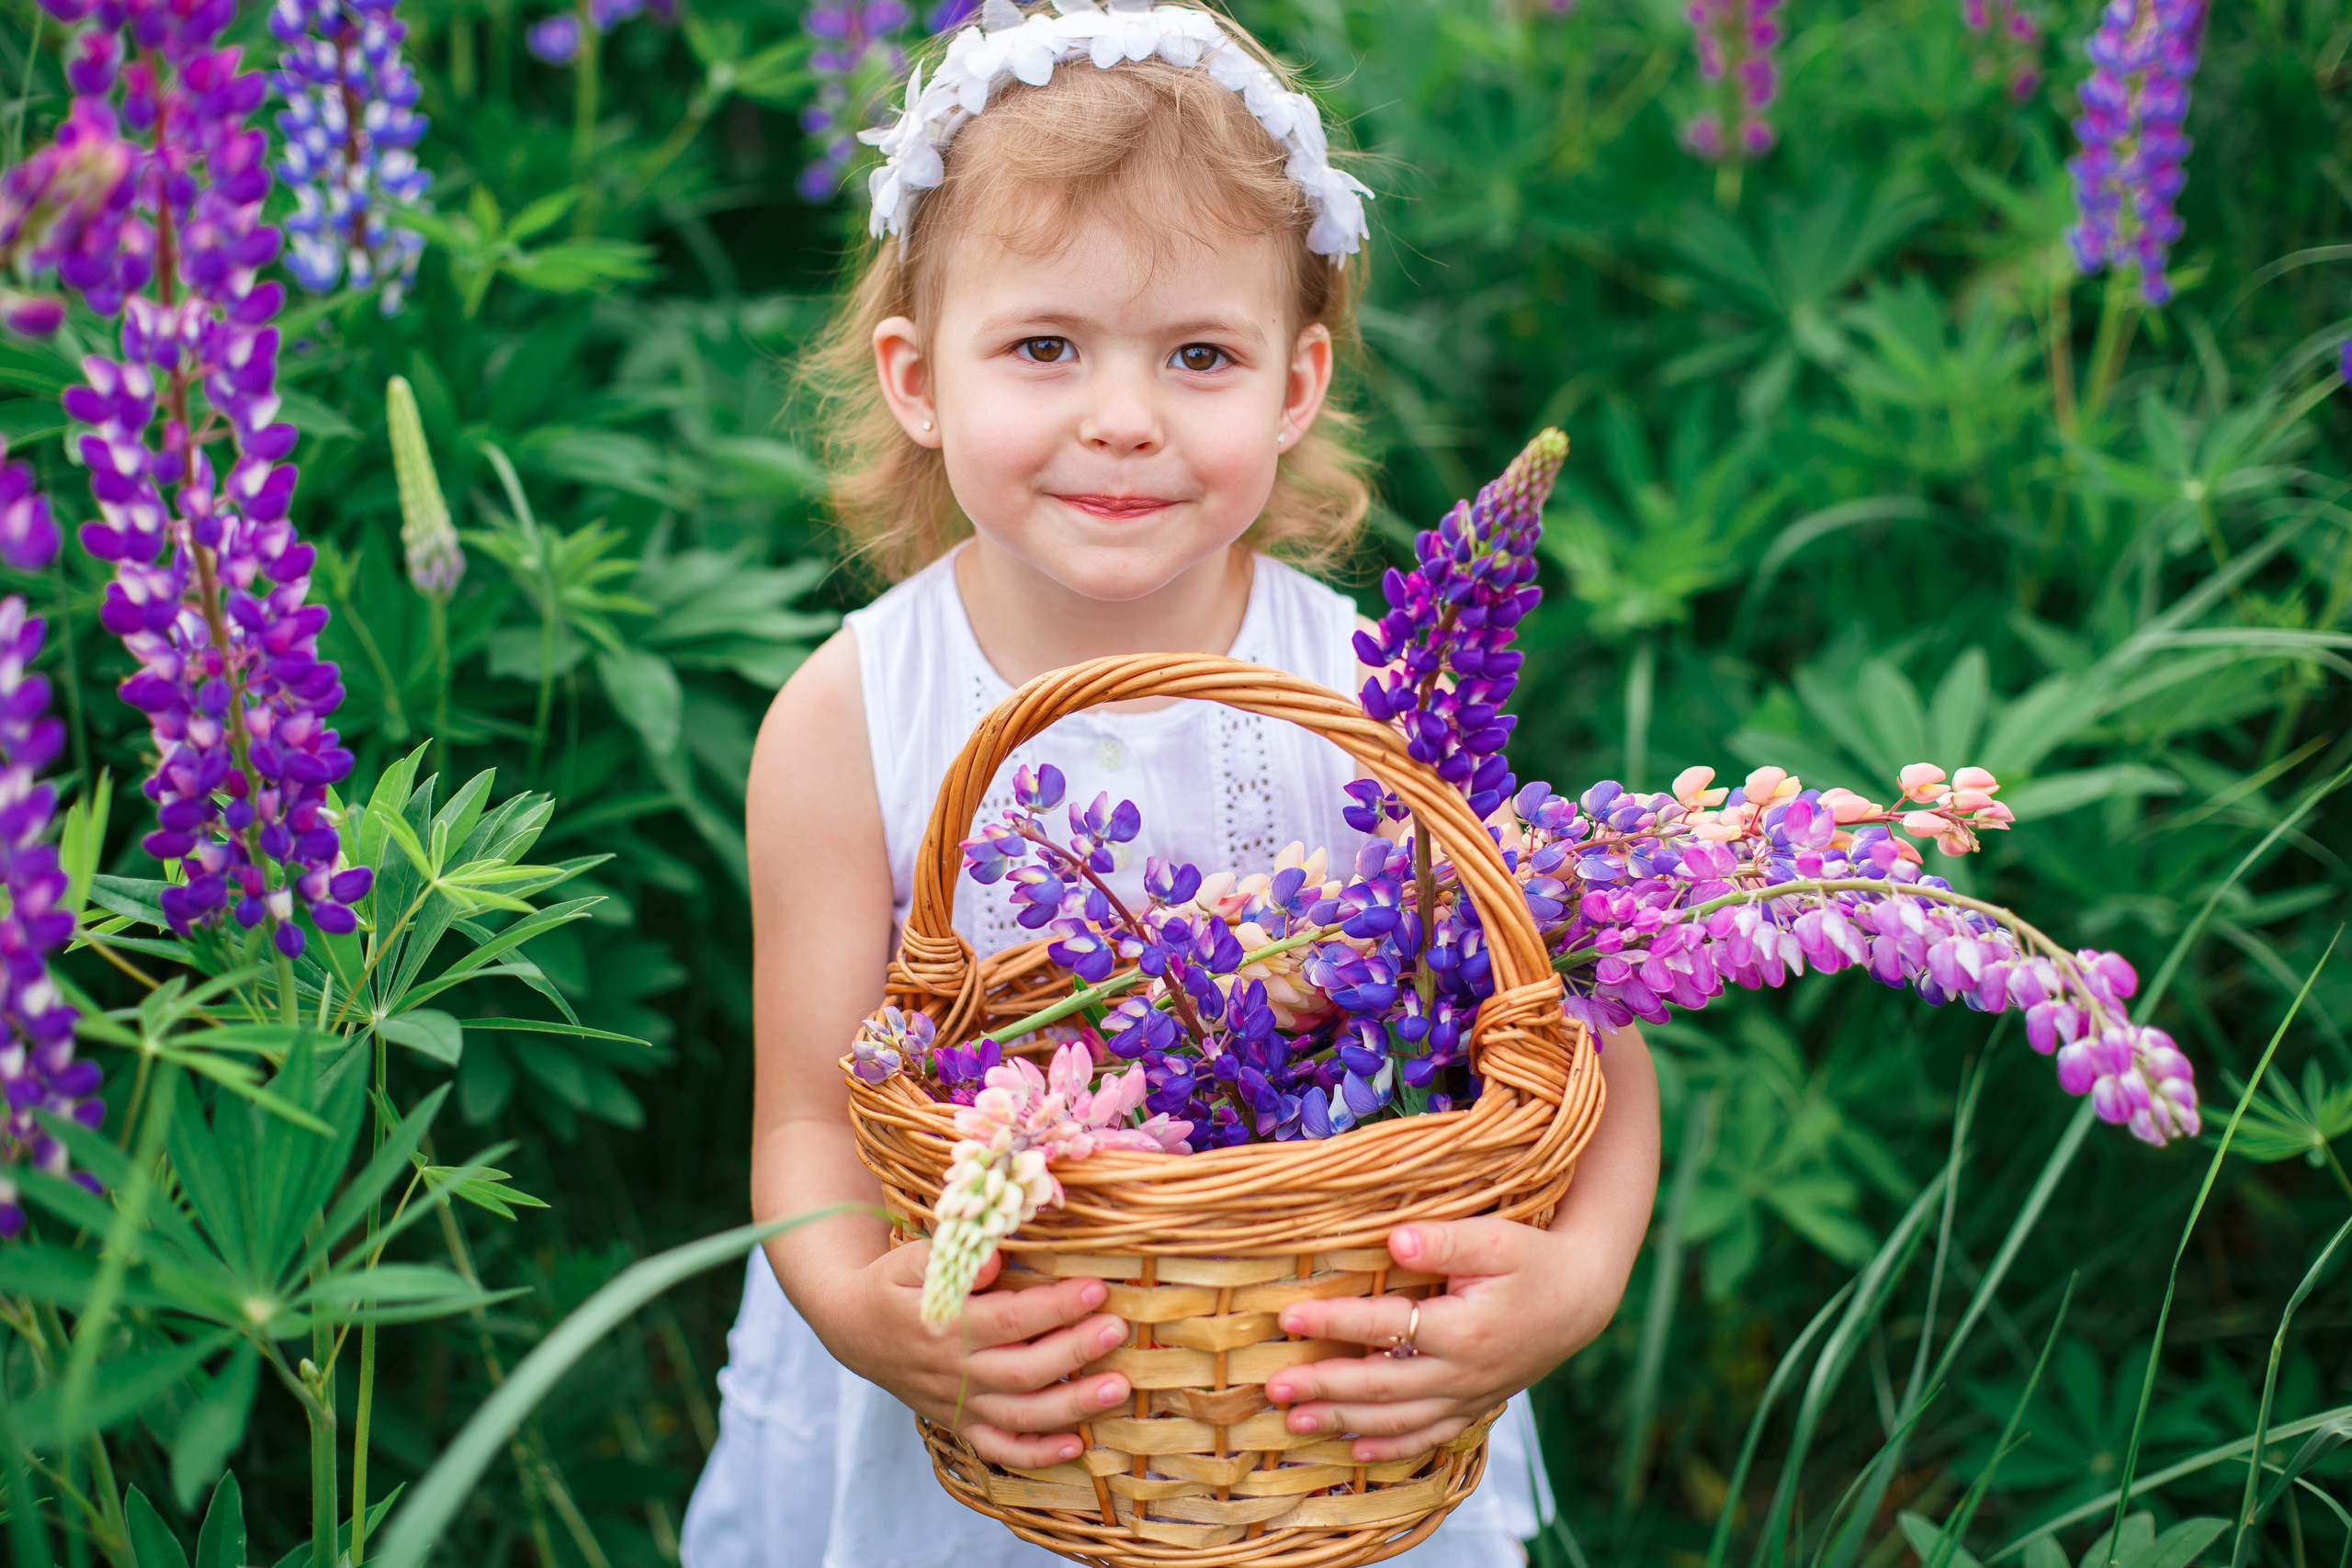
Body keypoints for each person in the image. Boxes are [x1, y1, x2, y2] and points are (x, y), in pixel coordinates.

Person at [680, 5, 1660, 1563]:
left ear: (1294, 383)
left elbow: (1571, 1031)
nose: (1122, 416)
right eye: (1046, 346)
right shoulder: (848, 716)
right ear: (919, 377)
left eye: (1199, 353)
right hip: (989, 1379)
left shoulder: (1379, 695)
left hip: (1313, 1412)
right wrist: (871, 1320)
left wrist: (1578, 1278)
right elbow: (804, 1125)